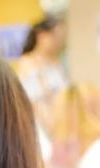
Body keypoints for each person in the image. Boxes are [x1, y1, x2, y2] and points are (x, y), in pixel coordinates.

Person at [15, 15, 69, 151]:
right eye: (55, 36)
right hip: (42, 130)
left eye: (61, 37)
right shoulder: (27, 63)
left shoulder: (57, 64)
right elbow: (36, 102)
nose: (59, 41)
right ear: (41, 35)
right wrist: (53, 131)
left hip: (61, 126)